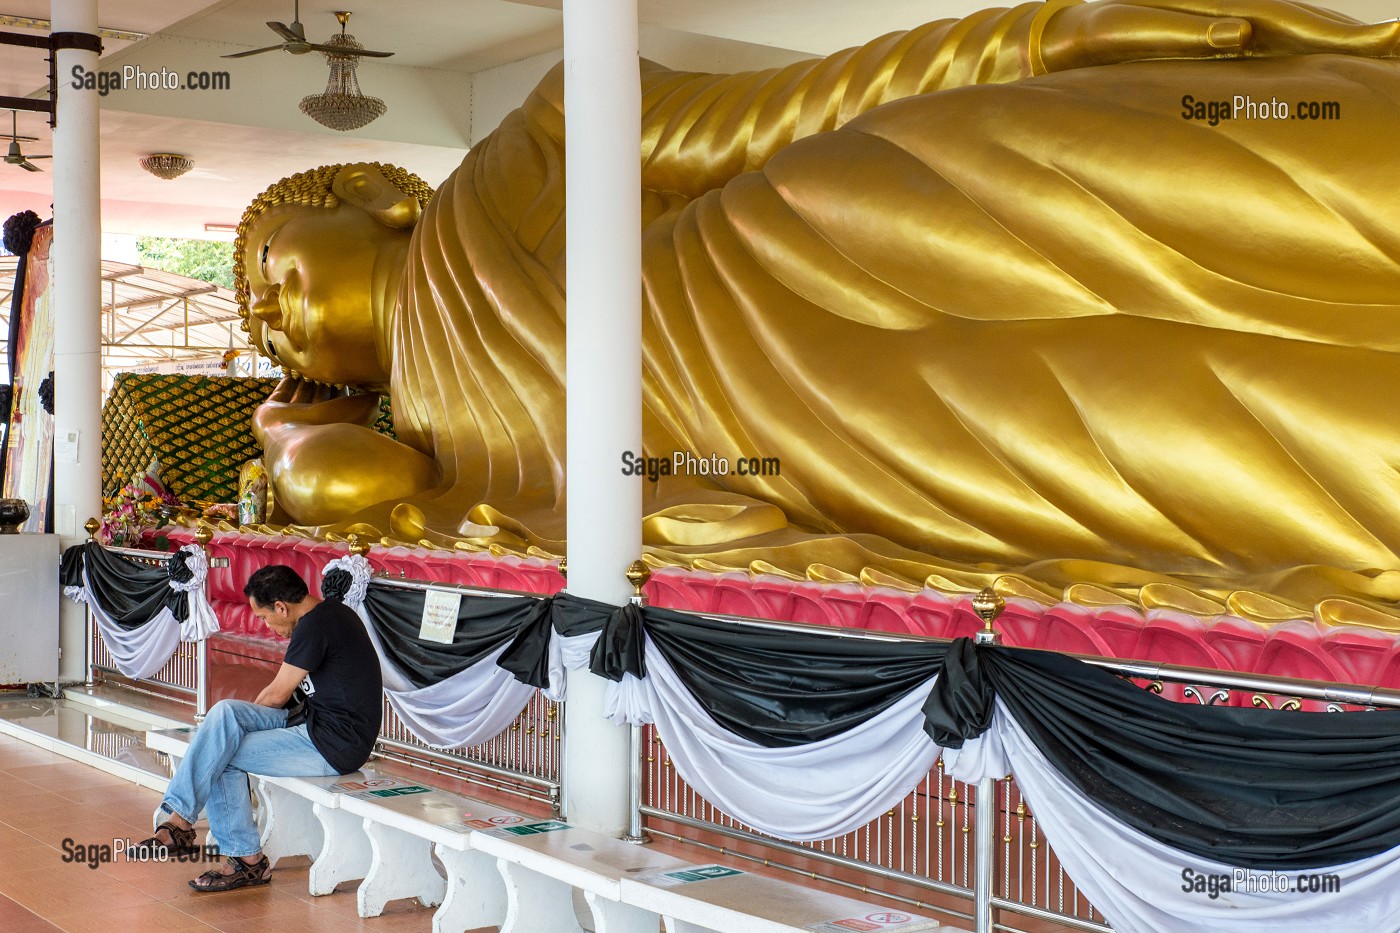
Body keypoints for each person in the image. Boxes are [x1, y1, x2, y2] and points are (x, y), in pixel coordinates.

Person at [236, 0, 1400, 618]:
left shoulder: (521, 145)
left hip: (817, 220)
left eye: (275, 273)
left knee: (1199, 172)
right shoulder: (430, 450)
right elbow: (351, 492)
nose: (270, 316)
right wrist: (288, 426)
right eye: (259, 327)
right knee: (1191, 435)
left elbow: (780, 109)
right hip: (805, 445)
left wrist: (1043, 32)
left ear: (379, 202)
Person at [141, 565, 382, 892]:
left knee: (222, 753)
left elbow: (276, 695)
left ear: (282, 607)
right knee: (226, 713)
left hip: (333, 744)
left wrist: (239, 729)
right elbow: (279, 699)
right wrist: (239, 724)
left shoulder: (317, 626)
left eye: (266, 617)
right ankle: (179, 817)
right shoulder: (326, 615)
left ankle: (243, 859)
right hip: (308, 720)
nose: (266, 626)